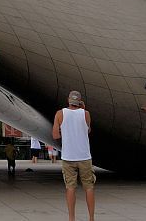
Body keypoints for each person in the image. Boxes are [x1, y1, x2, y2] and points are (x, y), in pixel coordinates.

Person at [53, 91, 95, 221]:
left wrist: (64, 130)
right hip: (84, 155)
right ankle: (91, 218)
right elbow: (88, 130)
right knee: (89, 187)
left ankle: (71, 218)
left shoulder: (60, 114)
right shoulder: (86, 113)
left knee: (70, 187)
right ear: (80, 102)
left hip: (68, 156)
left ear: (68, 100)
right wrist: (83, 109)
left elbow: (55, 135)